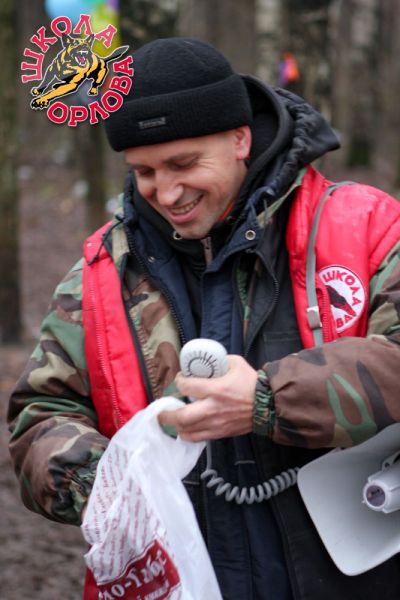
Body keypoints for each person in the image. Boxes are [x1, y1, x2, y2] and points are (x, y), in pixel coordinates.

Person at [8, 37, 400, 600]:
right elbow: (40, 415)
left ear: (240, 139)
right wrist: (105, 481)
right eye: (144, 171)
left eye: (183, 164)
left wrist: (269, 400)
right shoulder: (99, 275)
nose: (167, 193)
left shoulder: (365, 228)